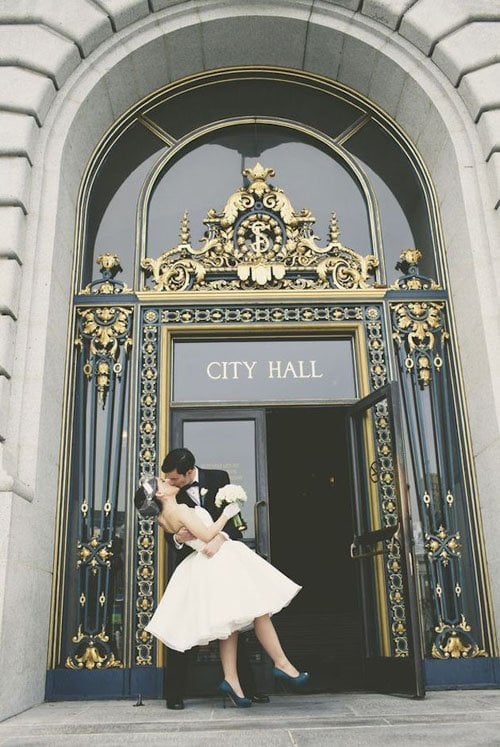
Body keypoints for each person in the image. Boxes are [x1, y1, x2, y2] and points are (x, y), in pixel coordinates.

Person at [134, 453, 308, 708]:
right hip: (208, 563)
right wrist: (189, 534)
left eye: (172, 478)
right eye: (165, 481)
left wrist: (221, 534)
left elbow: (231, 528)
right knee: (242, 613)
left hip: (221, 553)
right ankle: (279, 666)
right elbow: (188, 533)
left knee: (231, 622)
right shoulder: (177, 501)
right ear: (159, 494)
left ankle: (237, 683)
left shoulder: (218, 479)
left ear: (189, 471)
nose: (169, 481)